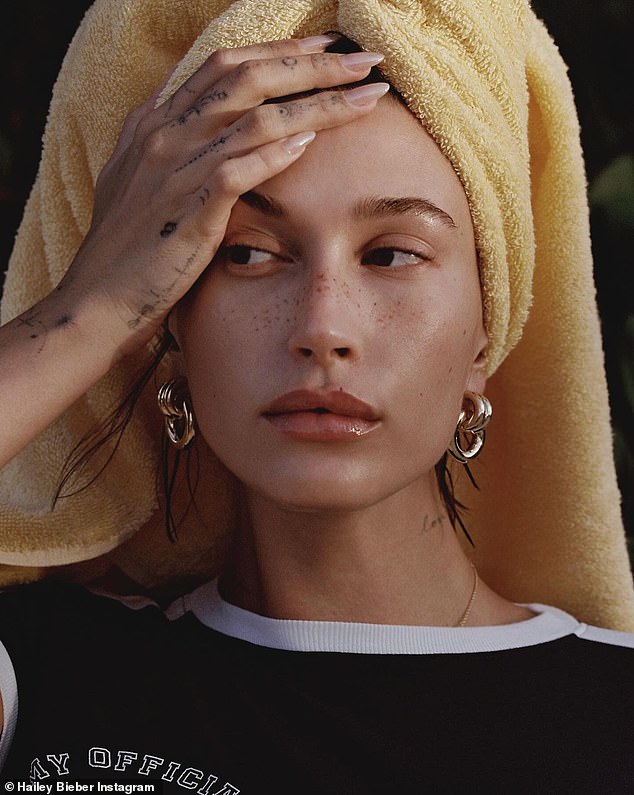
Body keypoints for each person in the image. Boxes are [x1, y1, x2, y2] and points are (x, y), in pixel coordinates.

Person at [0, 0, 633, 791]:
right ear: (170, 326)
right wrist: (90, 307)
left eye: (394, 253)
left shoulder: (616, 715)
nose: (323, 326)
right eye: (250, 253)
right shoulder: (48, 678)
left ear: (486, 332)